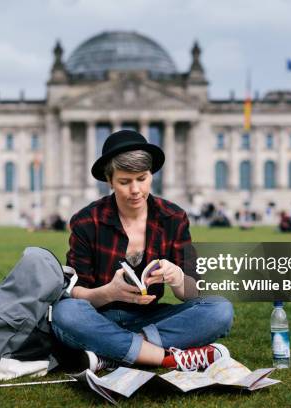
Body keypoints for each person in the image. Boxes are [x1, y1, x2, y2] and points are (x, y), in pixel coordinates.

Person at [52, 130, 233, 372]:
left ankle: (113, 353)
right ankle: (162, 357)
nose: (135, 190)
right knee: (66, 313)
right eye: (124, 182)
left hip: (151, 318)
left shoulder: (173, 217)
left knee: (219, 309)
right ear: (110, 181)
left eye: (142, 178)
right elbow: (75, 292)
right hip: (98, 317)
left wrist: (178, 277)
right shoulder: (87, 220)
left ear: (151, 175)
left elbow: (192, 292)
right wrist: (109, 293)